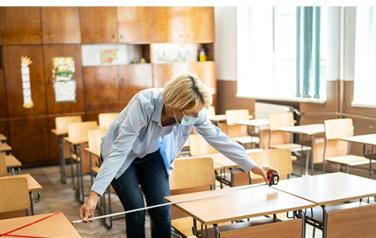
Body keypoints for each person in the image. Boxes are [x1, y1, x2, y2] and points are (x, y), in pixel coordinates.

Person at [80, 74, 275, 238]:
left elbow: (219, 139)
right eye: (191, 113)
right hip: (121, 155)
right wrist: (94, 195)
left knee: (162, 210)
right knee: (136, 210)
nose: (195, 116)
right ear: (175, 106)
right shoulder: (144, 104)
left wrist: (255, 167)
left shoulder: (194, 112)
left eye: (198, 113)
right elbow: (120, 151)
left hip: (151, 152)